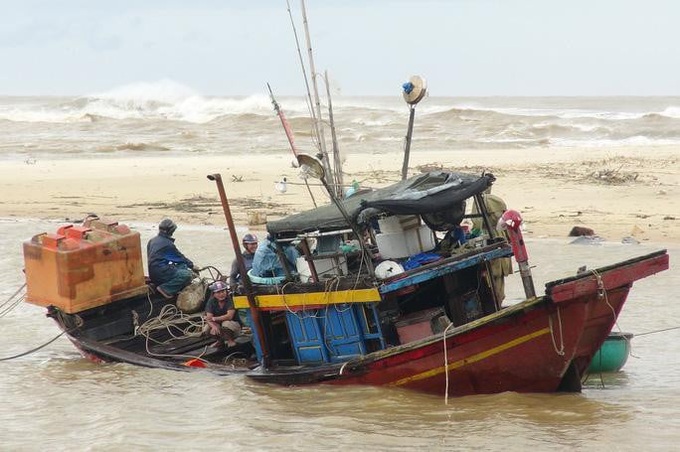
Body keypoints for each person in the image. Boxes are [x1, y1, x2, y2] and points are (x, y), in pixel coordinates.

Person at [147, 218, 199, 299]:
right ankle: (165, 289)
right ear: (171, 231)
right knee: (187, 274)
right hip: (161, 274)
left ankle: (171, 285)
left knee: (182, 266)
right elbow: (180, 257)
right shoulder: (167, 244)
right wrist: (192, 266)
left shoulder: (152, 241)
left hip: (153, 273)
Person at [203, 281, 241, 348]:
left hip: (234, 326)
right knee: (207, 329)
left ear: (226, 291)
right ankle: (220, 341)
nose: (221, 294)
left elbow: (229, 316)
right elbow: (209, 318)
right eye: (218, 292)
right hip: (218, 324)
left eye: (223, 291)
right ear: (214, 294)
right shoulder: (211, 301)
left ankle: (230, 340)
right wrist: (213, 326)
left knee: (226, 324)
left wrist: (215, 319)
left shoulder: (230, 299)